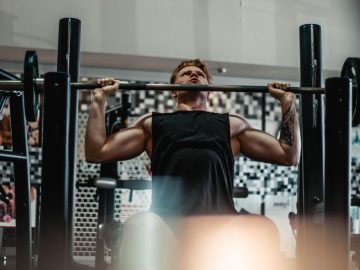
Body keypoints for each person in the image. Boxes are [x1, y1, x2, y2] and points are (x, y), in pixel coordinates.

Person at [85, 59, 301, 270]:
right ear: (174, 90)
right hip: (165, 219)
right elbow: (97, 152)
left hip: (220, 219)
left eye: (200, 74)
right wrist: (98, 100)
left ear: (209, 91)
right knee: (136, 226)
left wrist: (287, 102)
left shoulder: (232, 126)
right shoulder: (152, 124)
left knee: (263, 229)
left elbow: (288, 155)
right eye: (186, 73)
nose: (194, 75)